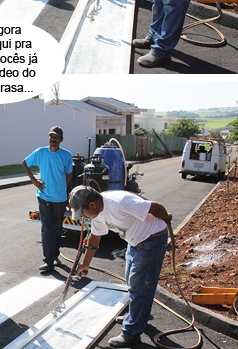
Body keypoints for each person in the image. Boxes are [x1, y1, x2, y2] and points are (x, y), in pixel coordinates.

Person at [69, 185, 172, 348]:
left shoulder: (119, 203)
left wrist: (166, 219)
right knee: (132, 283)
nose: (83, 216)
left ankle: (131, 333)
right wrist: (85, 264)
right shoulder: (97, 213)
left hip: (151, 240)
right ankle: (136, 317)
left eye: (83, 212)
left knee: (141, 287)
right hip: (135, 241)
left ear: (92, 204)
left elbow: (156, 207)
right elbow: (95, 237)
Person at [22, 126, 73, 272]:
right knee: (46, 229)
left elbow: (69, 175)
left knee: (57, 228)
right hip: (44, 197)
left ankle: (55, 255)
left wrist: (62, 188)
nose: (53, 139)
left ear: (61, 139)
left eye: (56, 137)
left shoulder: (66, 155)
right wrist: (34, 181)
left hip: (60, 199)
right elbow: (24, 163)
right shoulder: (40, 152)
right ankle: (48, 261)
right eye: (51, 136)